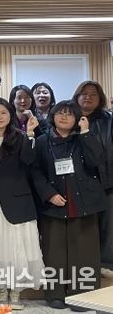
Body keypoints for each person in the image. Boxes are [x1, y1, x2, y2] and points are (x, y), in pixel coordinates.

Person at [31, 100, 108, 309]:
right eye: (60, 113)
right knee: (53, 252)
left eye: (69, 114)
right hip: (54, 203)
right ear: (53, 116)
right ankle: (55, 294)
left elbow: (96, 161)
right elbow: (35, 172)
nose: (64, 117)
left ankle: (83, 295)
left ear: (77, 119)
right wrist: (49, 194)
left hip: (84, 201)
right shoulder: (42, 141)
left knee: (84, 252)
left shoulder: (83, 137)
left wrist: (85, 133)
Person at [0, 98, 45, 309]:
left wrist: (31, 134)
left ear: (10, 115)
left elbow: (29, 161)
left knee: (18, 248)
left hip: (18, 202)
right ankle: (1, 290)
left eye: (3, 113)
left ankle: (16, 292)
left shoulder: (20, 137)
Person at [72, 81, 113, 279]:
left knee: (108, 225)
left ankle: (106, 263)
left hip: (107, 180)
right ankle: (84, 264)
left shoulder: (108, 120)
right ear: (77, 96)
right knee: (84, 226)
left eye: (93, 94)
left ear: (100, 99)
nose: (88, 97)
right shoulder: (69, 117)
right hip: (78, 183)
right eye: (84, 93)